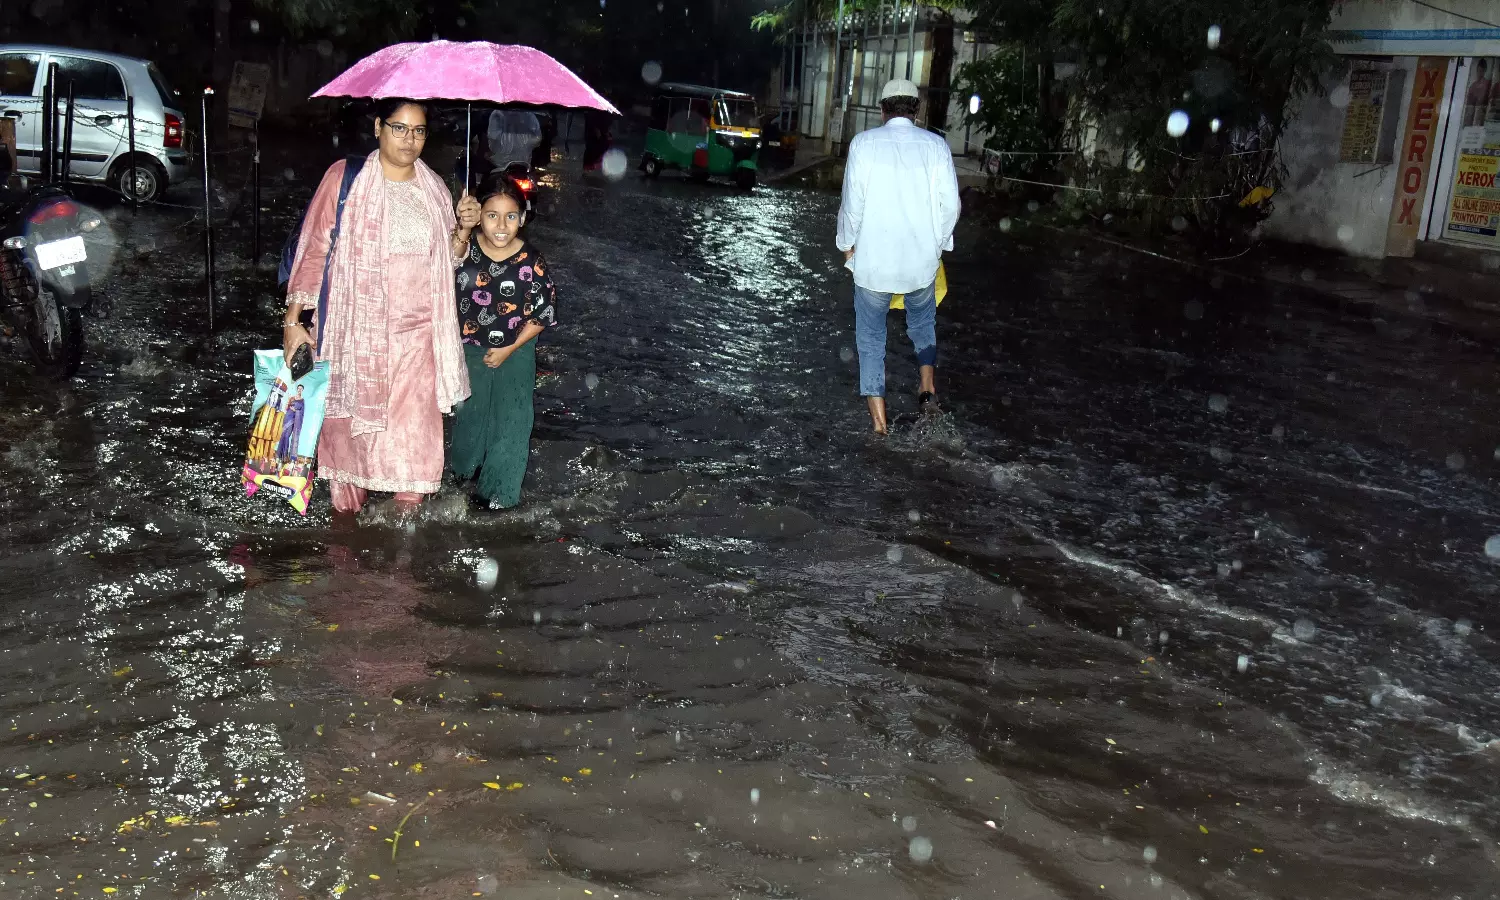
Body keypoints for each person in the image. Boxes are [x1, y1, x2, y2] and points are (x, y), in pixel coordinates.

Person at [282, 98, 480, 515]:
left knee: (413, 447)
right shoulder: (345, 179)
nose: (410, 140)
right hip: (354, 334)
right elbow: (314, 249)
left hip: (418, 341)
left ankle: (403, 535)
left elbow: (448, 261)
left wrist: (463, 230)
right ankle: (346, 532)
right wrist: (294, 321)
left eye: (419, 131)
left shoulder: (435, 188)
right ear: (378, 127)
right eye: (399, 128)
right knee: (351, 446)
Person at [836, 79, 960, 435]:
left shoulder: (863, 144)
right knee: (922, 323)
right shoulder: (936, 146)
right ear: (916, 111)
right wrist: (937, 245)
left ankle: (880, 426)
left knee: (871, 341)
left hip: (873, 265)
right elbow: (951, 206)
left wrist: (847, 245)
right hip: (921, 265)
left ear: (882, 110)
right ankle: (927, 388)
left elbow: (852, 206)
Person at [449, 175, 559, 509]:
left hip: (517, 351)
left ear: (522, 218)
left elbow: (544, 312)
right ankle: (463, 478)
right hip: (469, 350)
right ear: (479, 215)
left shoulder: (532, 261)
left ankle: (497, 498)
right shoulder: (465, 250)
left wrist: (508, 349)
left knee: (512, 421)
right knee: (470, 417)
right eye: (492, 215)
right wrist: (463, 227)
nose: (501, 225)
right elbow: (446, 258)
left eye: (510, 216)